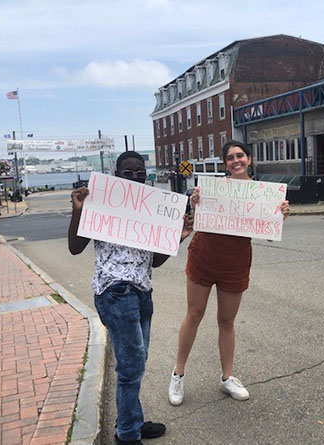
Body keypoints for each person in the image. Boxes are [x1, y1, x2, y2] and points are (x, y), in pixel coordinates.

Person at [68, 151, 193, 445]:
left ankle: (131, 421)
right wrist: (78, 210)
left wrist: (179, 237)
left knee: (135, 363)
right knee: (131, 367)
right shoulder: (100, 203)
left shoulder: (149, 207)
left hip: (142, 292)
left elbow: (155, 261)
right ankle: (126, 435)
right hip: (115, 292)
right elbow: (75, 247)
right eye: (128, 172)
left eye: (140, 172)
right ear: (116, 174)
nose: (135, 176)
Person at [168, 140, 290, 405]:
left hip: (235, 262)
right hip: (204, 256)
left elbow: (269, 236)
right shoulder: (212, 190)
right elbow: (195, 216)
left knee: (227, 321)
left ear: (249, 159)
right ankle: (178, 374)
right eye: (231, 158)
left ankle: (227, 377)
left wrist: (280, 216)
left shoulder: (264, 194)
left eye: (241, 156)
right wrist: (195, 202)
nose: (236, 161)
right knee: (194, 314)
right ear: (225, 164)